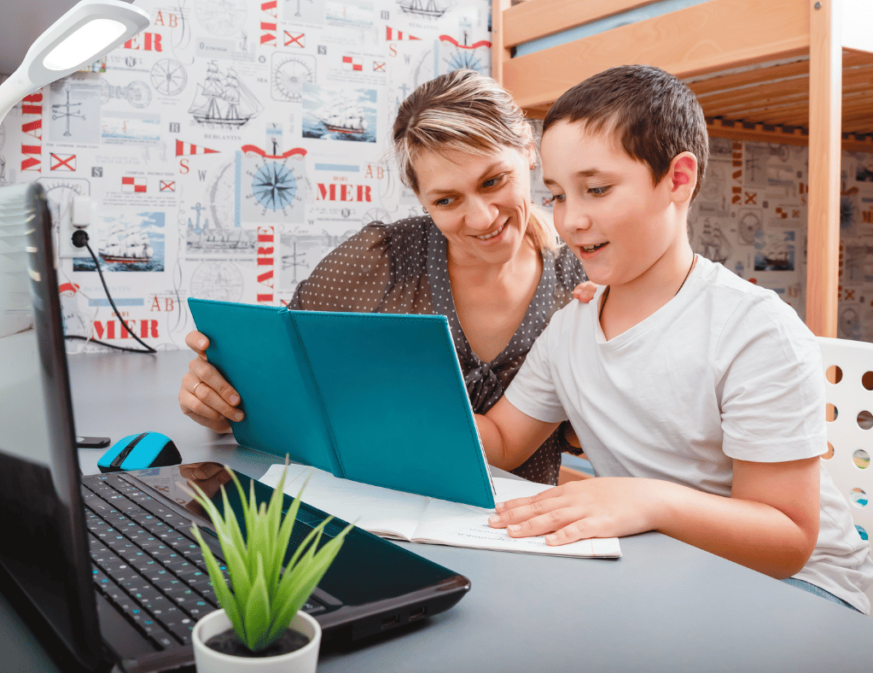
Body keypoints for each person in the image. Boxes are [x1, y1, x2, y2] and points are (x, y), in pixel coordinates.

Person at [476, 64, 873, 612]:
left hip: (806, 589)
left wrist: (648, 501)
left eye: (596, 189)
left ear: (677, 180)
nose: (571, 220)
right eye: (558, 196)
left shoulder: (754, 329)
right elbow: (500, 440)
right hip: (668, 559)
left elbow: (787, 540)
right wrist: (399, 410)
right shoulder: (570, 326)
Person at [179, 69, 594, 485]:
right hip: (376, 515)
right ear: (420, 198)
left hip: (523, 534)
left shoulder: (583, 278)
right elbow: (282, 377)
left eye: (493, 181)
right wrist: (220, 400)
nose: (481, 217)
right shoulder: (379, 261)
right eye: (446, 199)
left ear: (528, 149)